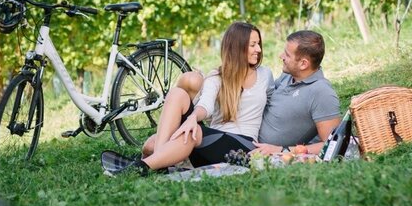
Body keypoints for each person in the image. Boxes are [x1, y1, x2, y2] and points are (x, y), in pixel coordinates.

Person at [101, 21, 272, 176]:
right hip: (211, 145)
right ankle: (160, 160)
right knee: (176, 98)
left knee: (187, 134)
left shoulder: (265, 75)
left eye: (258, 44)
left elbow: (278, 102)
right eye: (253, 45)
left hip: (244, 145)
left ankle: (140, 167)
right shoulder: (217, 77)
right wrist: (193, 118)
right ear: (237, 47)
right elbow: (206, 105)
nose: (258, 49)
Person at [251, 29, 342, 156]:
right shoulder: (288, 77)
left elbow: (333, 143)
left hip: (260, 151)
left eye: (287, 55)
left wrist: (281, 151)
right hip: (249, 137)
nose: (281, 56)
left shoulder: (321, 92)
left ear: (303, 64)